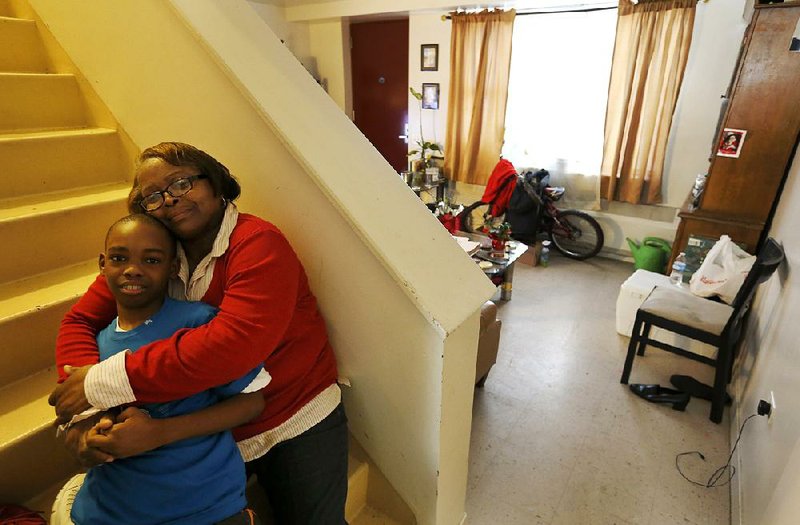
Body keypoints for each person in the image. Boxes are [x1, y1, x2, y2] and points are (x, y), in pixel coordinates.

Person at [50, 142, 348, 524]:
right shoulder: (154, 256)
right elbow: (80, 322)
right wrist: (85, 414)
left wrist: (100, 382)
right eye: (153, 197)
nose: (170, 200)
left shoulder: (258, 244)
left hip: (292, 412)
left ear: (217, 182)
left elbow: (233, 346)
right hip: (211, 425)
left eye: (181, 183)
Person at [55, 213, 268, 525]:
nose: (132, 270)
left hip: (205, 504)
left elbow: (252, 403)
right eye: (118, 258)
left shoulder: (199, 322)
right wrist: (87, 440)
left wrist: (160, 433)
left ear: (171, 268)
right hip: (111, 507)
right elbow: (70, 415)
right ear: (103, 264)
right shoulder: (93, 346)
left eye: (151, 260)